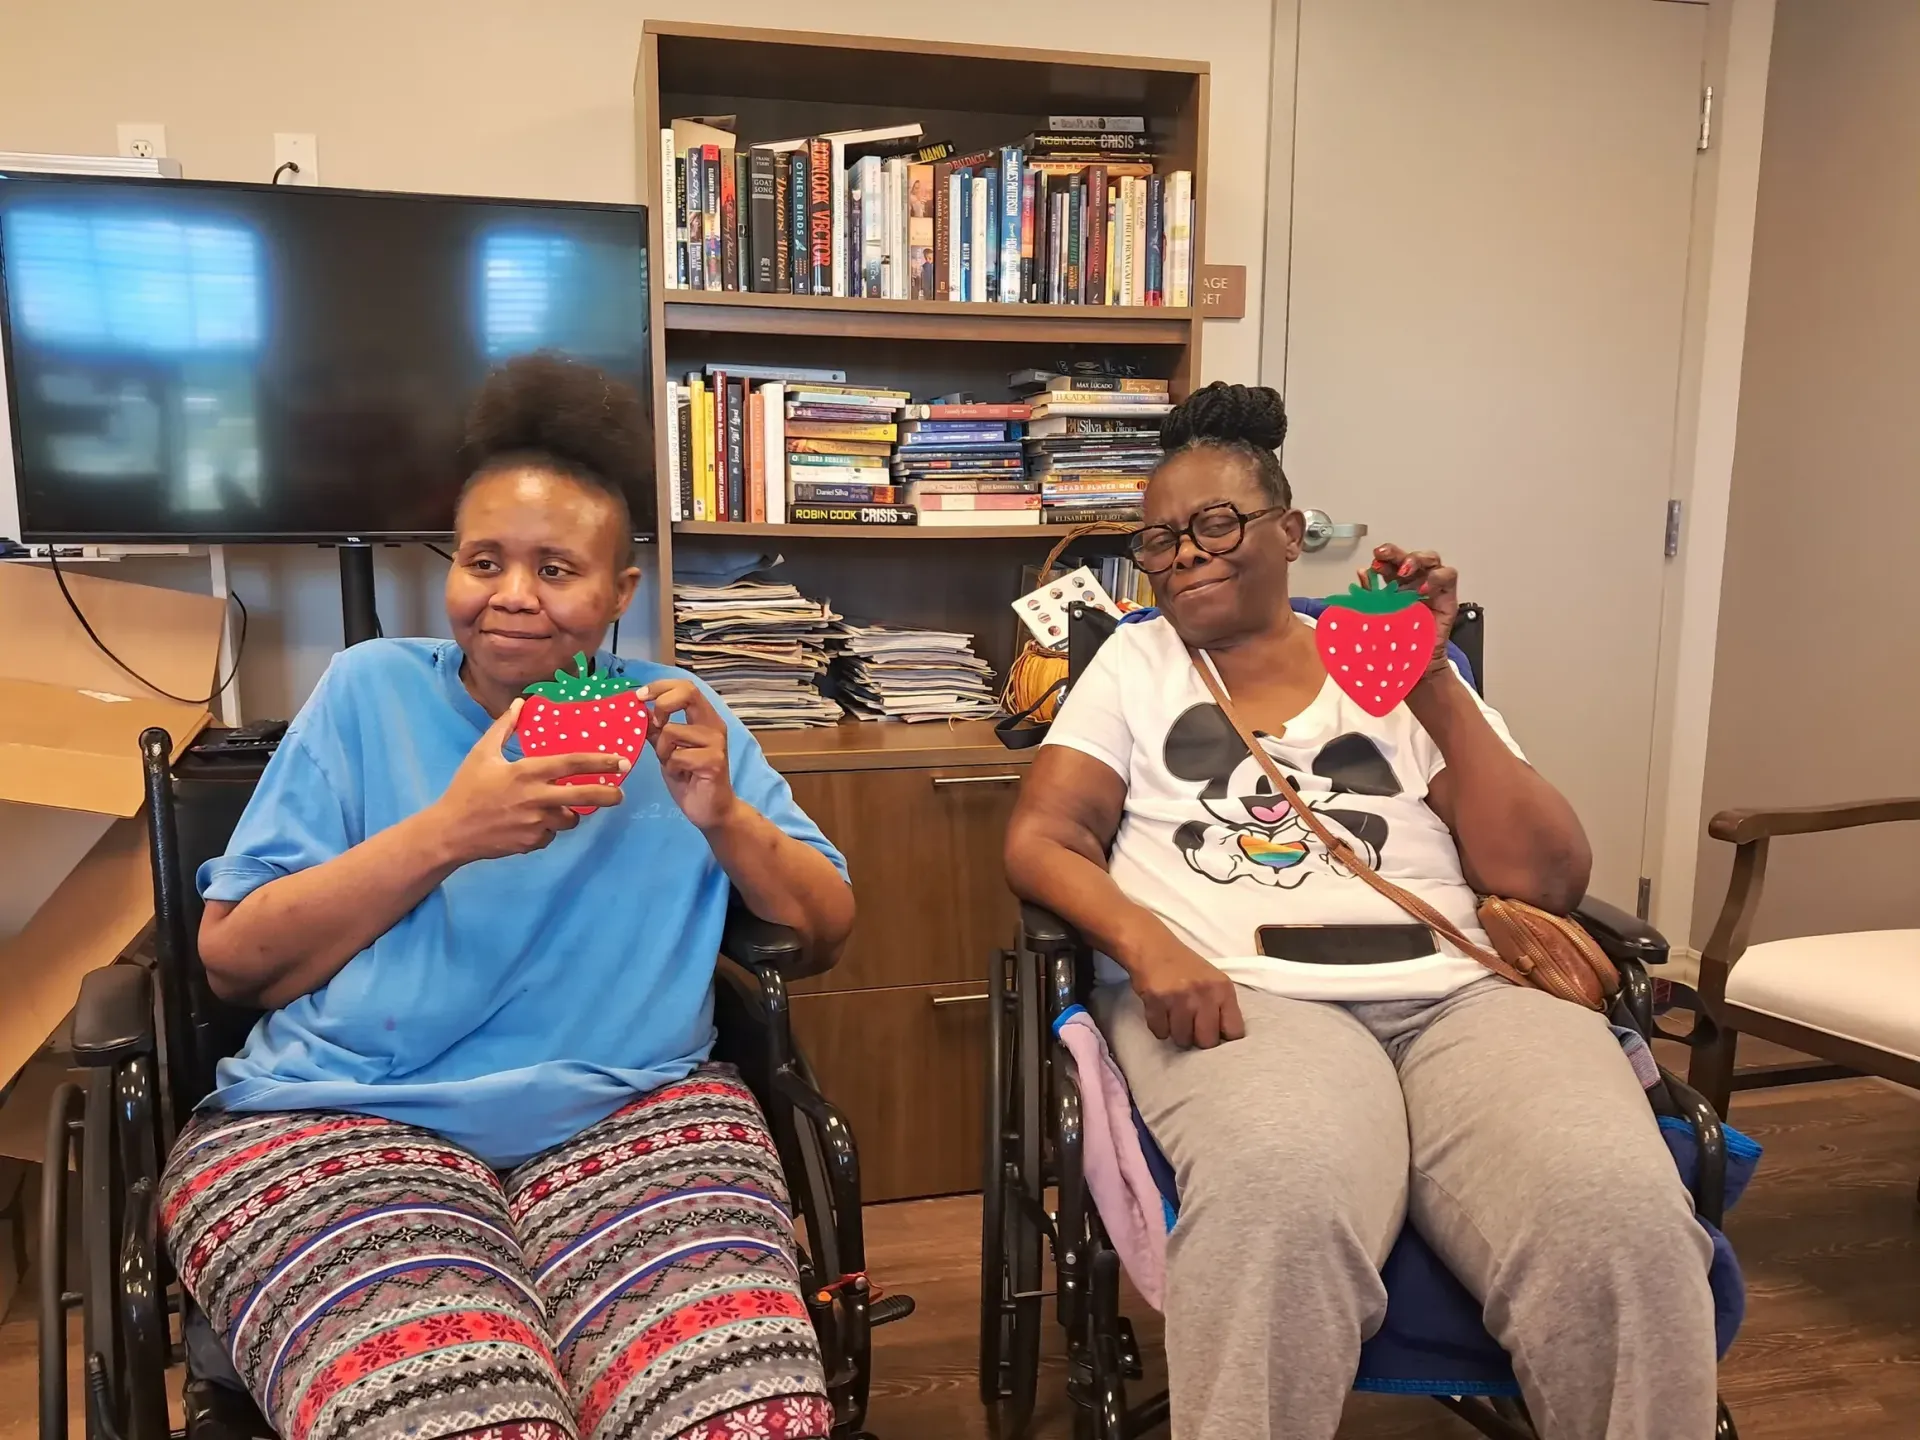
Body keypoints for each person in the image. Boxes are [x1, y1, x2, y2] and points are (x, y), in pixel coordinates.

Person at [159, 353, 856, 1440]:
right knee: (473, 1417)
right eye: (484, 560)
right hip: (340, 1118)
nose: (513, 597)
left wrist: (724, 813)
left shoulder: (678, 714)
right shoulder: (368, 690)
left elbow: (822, 931)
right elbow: (234, 961)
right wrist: (450, 832)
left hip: (633, 1109)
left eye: (557, 568)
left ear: (622, 592)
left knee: (742, 1417)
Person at [1003, 383, 1717, 1440]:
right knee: (1277, 1194)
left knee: (1615, 1205)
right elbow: (1040, 838)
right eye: (1161, 539)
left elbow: (1548, 878)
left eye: (1216, 524)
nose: (1186, 554)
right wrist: (1147, 943)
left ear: (1292, 533)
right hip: (1248, 1001)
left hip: (1466, 996)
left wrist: (1431, 681)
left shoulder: (1384, 657)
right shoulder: (1136, 664)